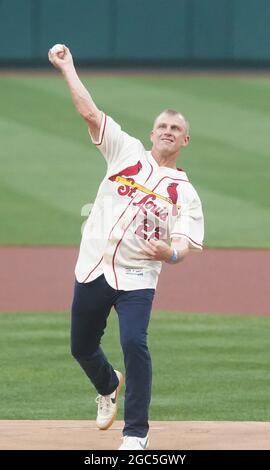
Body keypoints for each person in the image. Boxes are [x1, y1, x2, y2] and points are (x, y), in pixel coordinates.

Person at [48, 45, 204, 451]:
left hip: (138, 276)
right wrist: (67, 67)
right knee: (80, 346)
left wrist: (168, 254)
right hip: (93, 266)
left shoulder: (184, 193)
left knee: (135, 343)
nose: (168, 131)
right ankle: (107, 384)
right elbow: (89, 112)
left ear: (185, 139)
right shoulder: (126, 152)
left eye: (175, 128)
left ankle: (135, 433)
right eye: (162, 126)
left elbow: (184, 245)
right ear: (152, 133)